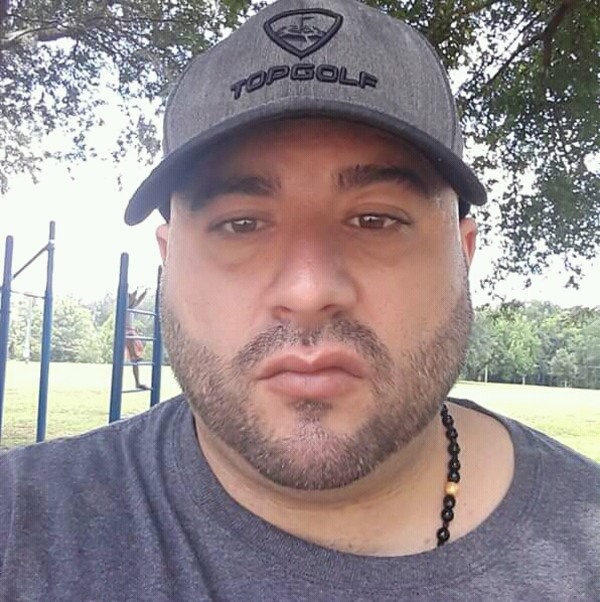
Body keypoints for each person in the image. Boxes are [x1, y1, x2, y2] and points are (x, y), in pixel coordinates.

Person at [1, 1, 598, 600]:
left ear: (462, 255)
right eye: (240, 224)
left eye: (375, 219)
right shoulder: (18, 529)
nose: (308, 292)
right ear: (169, 259)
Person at [126, 286, 149, 390]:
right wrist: (137, 289)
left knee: (135, 361)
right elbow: (133, 299)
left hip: (131, 332)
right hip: (128, 333)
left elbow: (138, 300)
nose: (134, 301)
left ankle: (137, 382)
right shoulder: (125, 308)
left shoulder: (131, 308)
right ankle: (135, 355)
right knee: (134, 359)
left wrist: (145, 292)